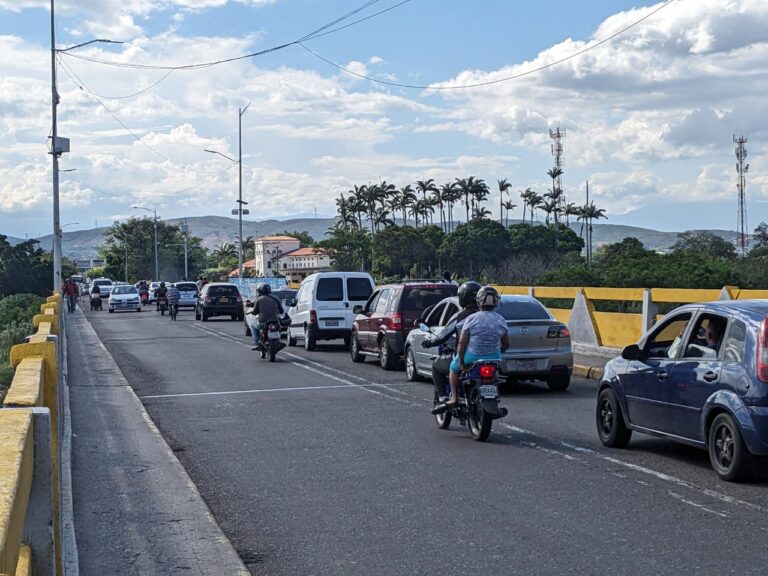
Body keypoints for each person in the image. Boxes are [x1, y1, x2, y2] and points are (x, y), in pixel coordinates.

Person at [432, 285, 509, 414]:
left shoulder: (470, 318)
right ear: (496, 302)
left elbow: (462, 343)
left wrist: (461, 361)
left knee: (453, 368)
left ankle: (454, 398)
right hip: (494, 357)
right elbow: (506, 343)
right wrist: (496, 353)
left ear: (478, 301)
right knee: (494, 376)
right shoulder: (501, 319)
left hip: (472, 356)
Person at [422, 281, 481, 404]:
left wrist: (429, 343)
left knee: (436, 366)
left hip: (466, 357)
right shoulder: (487, 316)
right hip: (487, 356)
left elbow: (443, 336)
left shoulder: (461, 316)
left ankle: (443, 398)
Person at [249, 283, 284, 351]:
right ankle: (278, 341)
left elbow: (255, 311)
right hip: (275, 322)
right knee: (279, 328)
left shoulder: (258, 299)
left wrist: (253, 312)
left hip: (263, 322)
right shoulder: (276, 298)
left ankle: (256, 342)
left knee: (253, 326)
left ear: (260, 291)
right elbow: (281, 311)